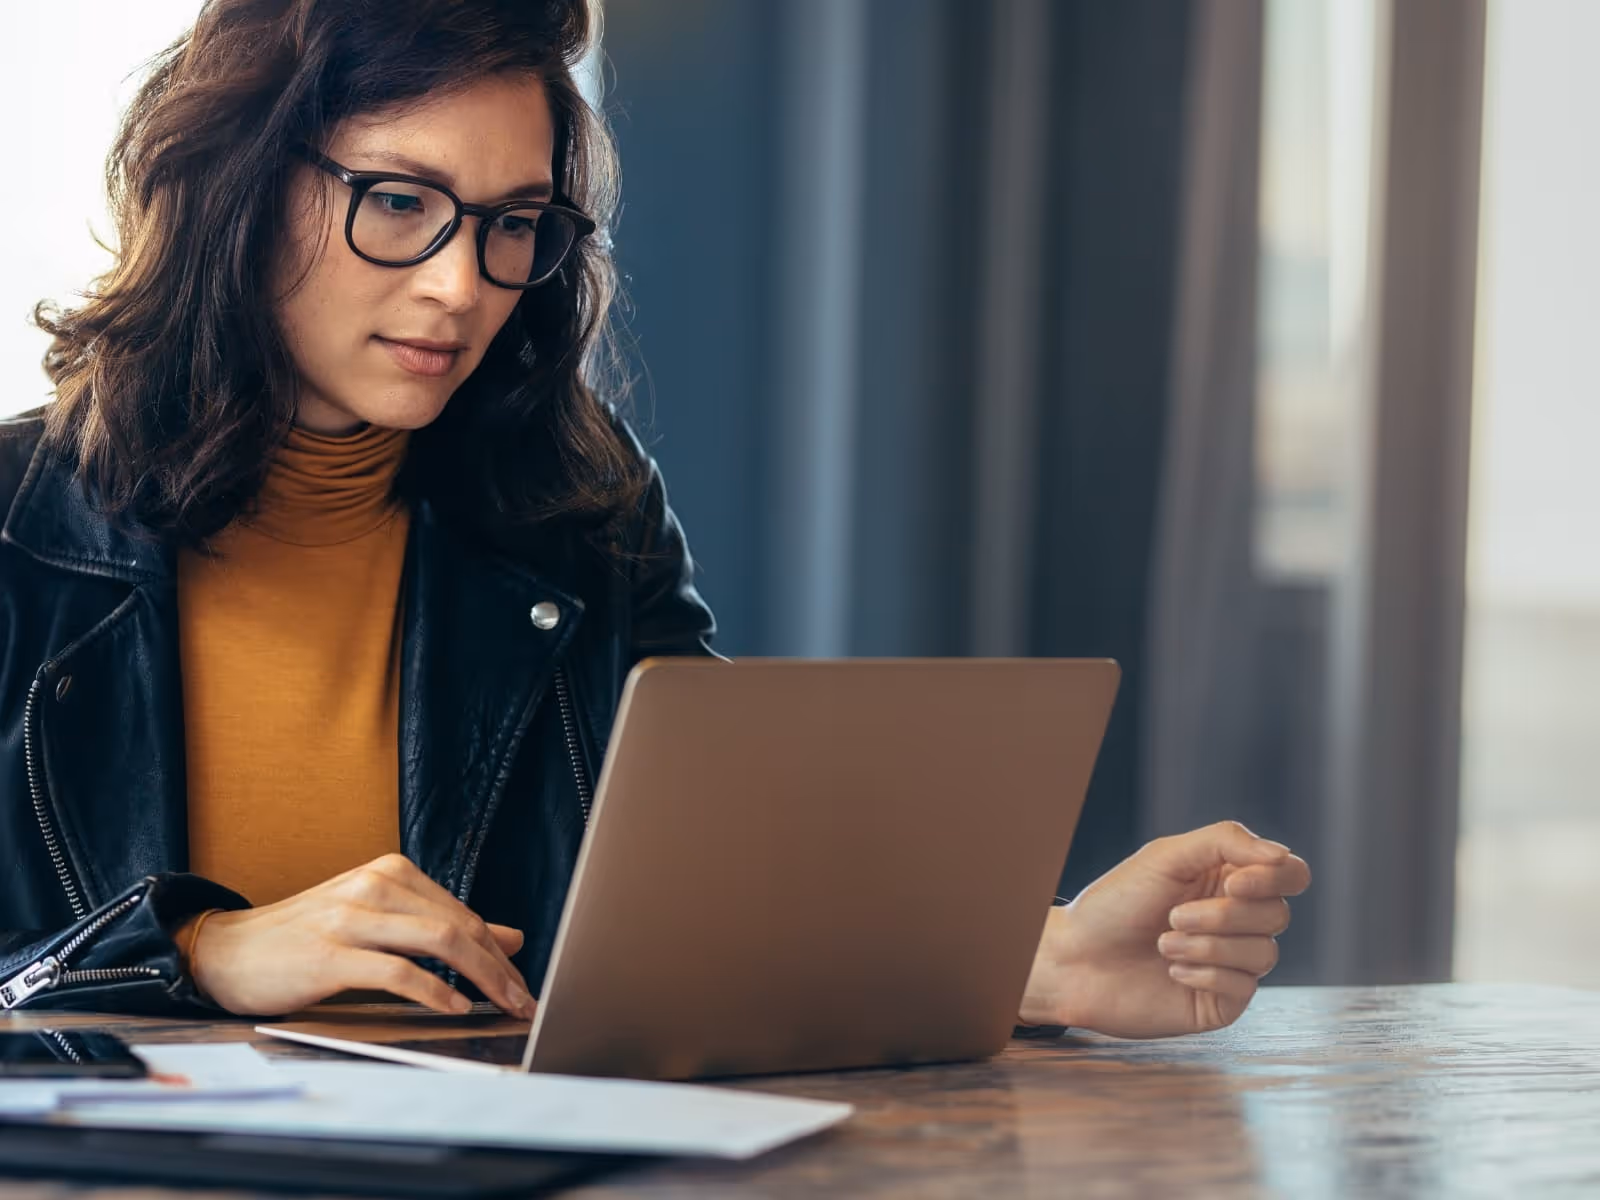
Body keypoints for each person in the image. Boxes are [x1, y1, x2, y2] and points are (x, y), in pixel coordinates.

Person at [0, 0, 1309, 1041]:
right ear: (240, 186)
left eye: (513, 224)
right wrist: (197, 953)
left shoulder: (574, 513)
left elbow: (711, 898)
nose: (461, 285)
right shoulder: (16, 531)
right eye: (399, 202)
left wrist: (1047, 956)